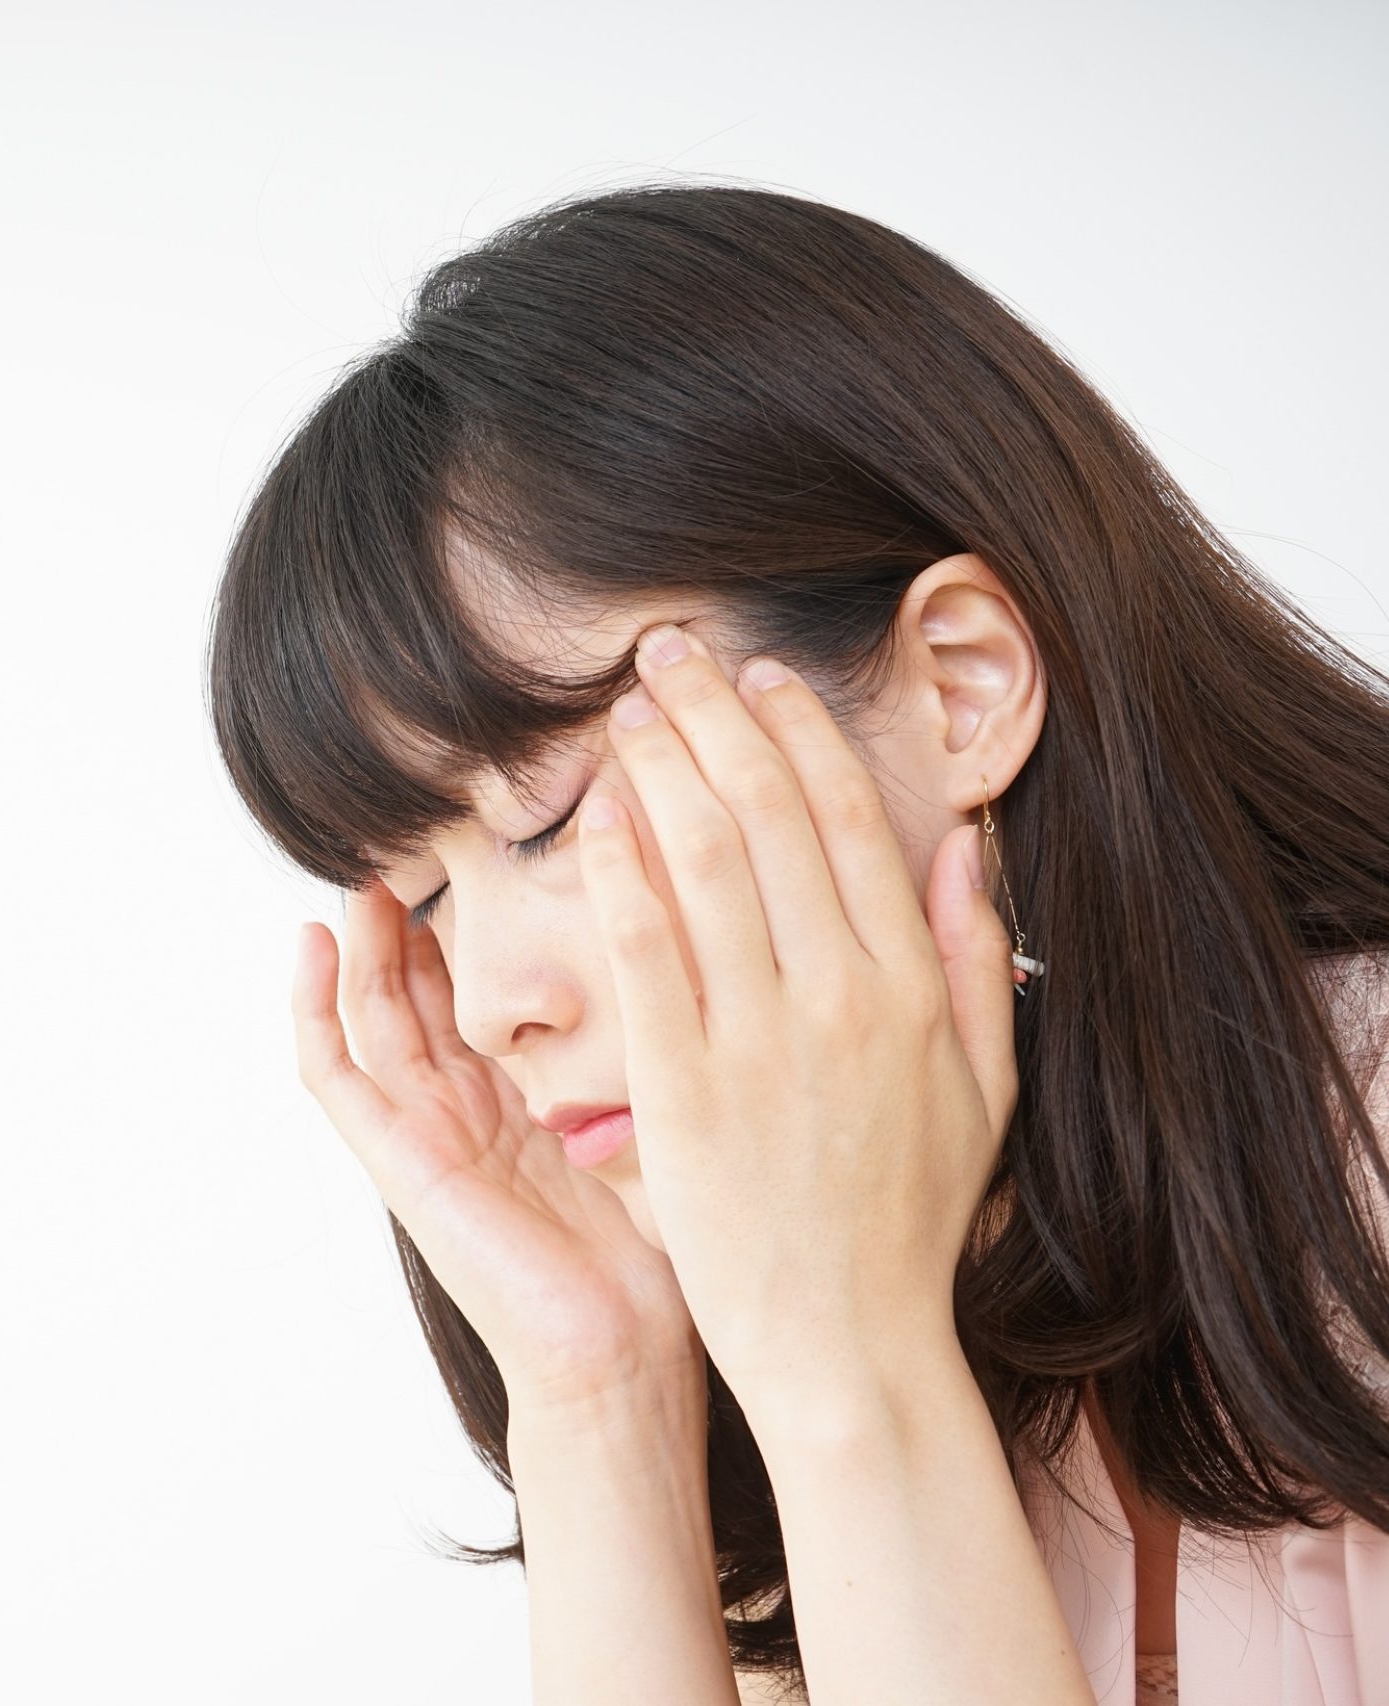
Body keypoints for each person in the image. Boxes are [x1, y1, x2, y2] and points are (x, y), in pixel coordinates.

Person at [203, 181, 1389, 1705]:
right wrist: (599, 1396)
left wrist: (850, 1362)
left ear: (958, 686)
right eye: (423, 900)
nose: (489, 1003)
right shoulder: (863, 1255)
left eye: (548, 816)